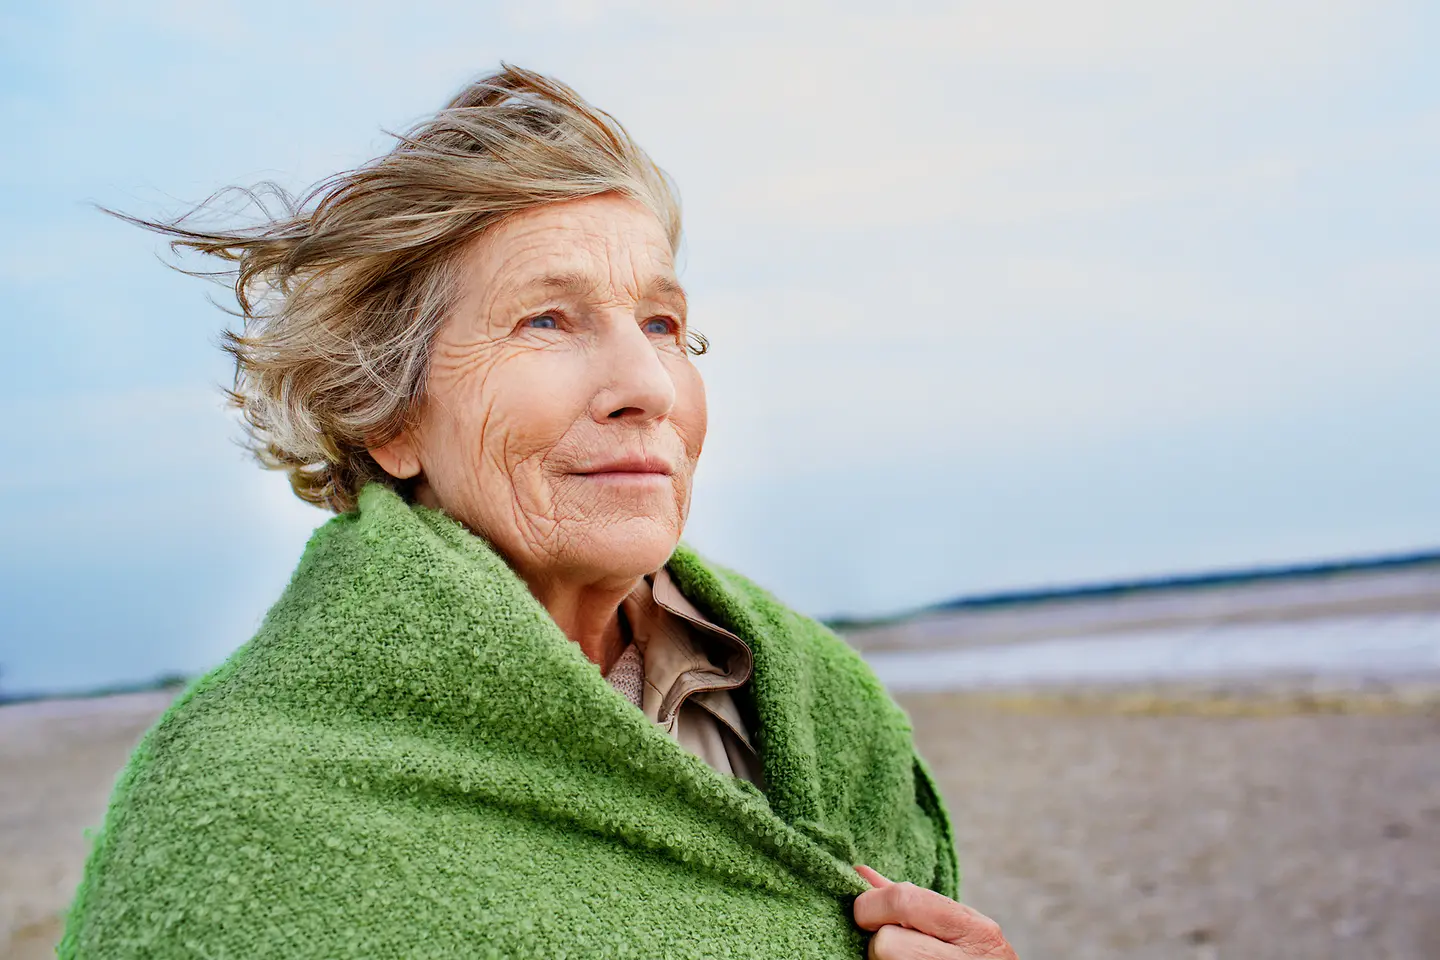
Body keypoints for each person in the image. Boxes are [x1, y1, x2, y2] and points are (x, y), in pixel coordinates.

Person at [60, 65, 1018, 960]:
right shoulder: (240, 800)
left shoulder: (823, 705)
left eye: (662, 325)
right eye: (546, 320)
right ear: (387, 415)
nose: (645, 383)